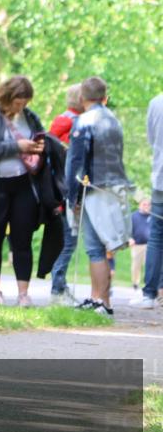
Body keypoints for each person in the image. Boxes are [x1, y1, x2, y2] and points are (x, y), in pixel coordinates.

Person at [0, 75, 46, 307]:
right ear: (7, 97)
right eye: (17, 101)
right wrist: (17, 146)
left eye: (25, 101)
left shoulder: (30, 117)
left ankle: (23, 294)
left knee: (22, 239)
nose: (21, 106)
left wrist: (39, 147)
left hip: (24, 184)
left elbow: (41, 140)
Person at [65, 76, 133, 317]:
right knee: (105, 246)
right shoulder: (114, 119)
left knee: (94, 248)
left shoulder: (84, 121)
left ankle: (100, 301)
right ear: (105, 97)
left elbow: (76, 160)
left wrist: (72, 196)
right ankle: (102, 301)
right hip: (115, 185)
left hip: (94, 188)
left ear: (82, 97)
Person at [49, 84, 83, 304]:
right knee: (69, 242)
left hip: (60, 191)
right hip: (67, 193)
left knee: (68, 241)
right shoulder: (73, 123)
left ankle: (60, 286)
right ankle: (58, 287)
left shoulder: (61, 122)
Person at [134, 94, 163, 309]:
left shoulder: (155, 102)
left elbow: (152, 139)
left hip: (160, 178)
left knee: (156, 236)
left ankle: (149, 294)